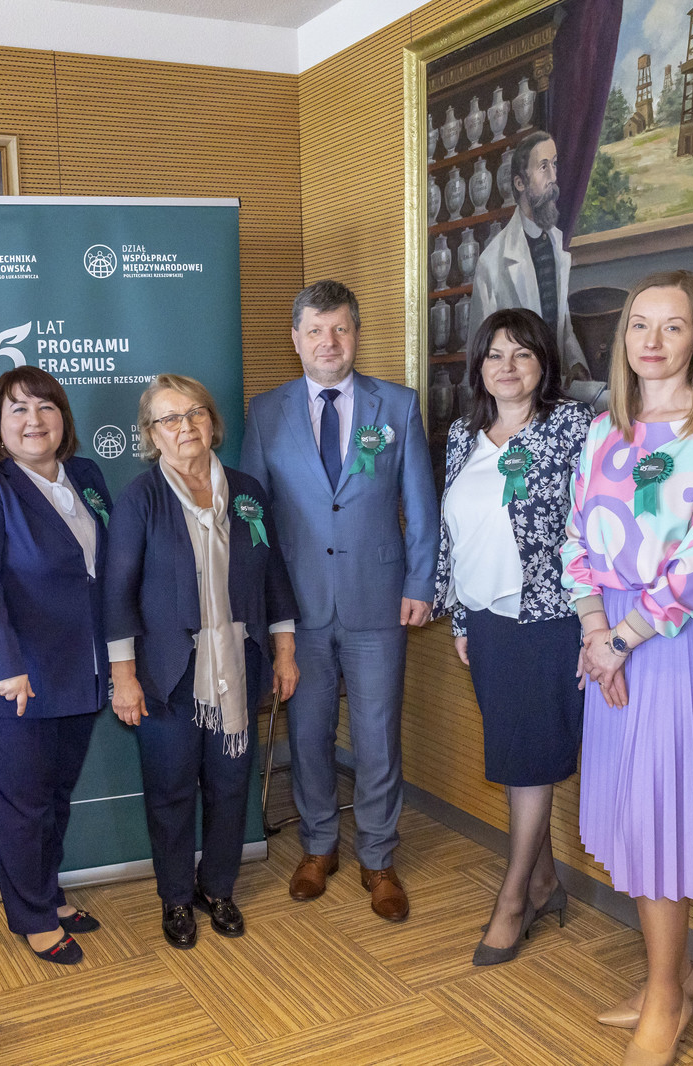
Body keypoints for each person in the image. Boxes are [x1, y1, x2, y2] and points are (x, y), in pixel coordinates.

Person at [562, 269, 693, 1066]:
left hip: (679, 641)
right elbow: (576, 540)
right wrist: (594, 631)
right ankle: (671, 979)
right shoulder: (603, 430)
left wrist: (623, 639)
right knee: (631, 813)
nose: (652, 341)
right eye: (639, 325)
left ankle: (668, 998)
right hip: (607, 637)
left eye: (672, 326)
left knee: (661, 816)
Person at [239, 279, 438, 922]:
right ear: (296, 340)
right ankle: (319, 844)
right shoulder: (265, 413)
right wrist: (267, 610)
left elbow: (421, 505)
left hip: (378, 602)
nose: (329, 342)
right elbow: (253, 519)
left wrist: (420, 582)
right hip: (297, 611)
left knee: (378, 736)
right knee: (309, 733)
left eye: (340, 329)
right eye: (316, 331)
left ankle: (378, 856)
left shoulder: (397, 405)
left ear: (356, 334)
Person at [104, 374, 300, 950]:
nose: (185, 426)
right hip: (168, 672)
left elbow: (274, 575)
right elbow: (116, 593)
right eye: (169, 418)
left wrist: (285, 651)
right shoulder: (140, 498)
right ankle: (174, 896)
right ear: (151, 434)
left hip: (238, 664)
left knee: (229, 783)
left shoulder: (247, 491)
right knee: (169, 789)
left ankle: (218, 888)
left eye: (195, 413)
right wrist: (123, 677)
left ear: (213, 422)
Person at [429, 308, 590, 966]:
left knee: (528, 764)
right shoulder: (463, 436)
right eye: (495, 354)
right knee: (521, 757)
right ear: (479, 367)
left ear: (544, 364)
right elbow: (453, 534)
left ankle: (514, 899)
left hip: (546, 619)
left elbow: (594, 523)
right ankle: (546, 882)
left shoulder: (574, 427)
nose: (508, 366)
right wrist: (461, 619)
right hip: (485, 624)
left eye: (523, 354)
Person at [0, 366, 112, 966]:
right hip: (11, 680)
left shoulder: (86, 476)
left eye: (45, 407)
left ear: (63, 417)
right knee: (21, 806)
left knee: (54, 798)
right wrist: (5, 666)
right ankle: (33, 916)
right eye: (18, 409)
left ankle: (49, 894)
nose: (34, 420)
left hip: (77, 672)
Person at [467, 131, 590, 391]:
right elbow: (481, 353)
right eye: (543, 167)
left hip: (555, 389)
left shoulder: (554, 242)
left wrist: (575, 361)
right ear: (520, 183)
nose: (553, 177)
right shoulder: (492, 262)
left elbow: (561, 321)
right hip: (516, 395)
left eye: (554, 164)